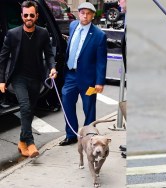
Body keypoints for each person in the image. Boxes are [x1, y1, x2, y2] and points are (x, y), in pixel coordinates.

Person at [0, 1, 57, 158]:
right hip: (18, 78)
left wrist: (52, 67)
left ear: (36, 16)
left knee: (30, 111)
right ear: (21, 16)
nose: (28, 18)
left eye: (32, 15)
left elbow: (50, 54)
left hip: (36, 78)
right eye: (26, 15)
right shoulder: (12, 35)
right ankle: (31, 143)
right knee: (25, 107)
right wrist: (2, 81)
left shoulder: (43, 33)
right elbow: (3, 59)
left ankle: (21, 142)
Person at [59, 2, 107, 146]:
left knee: (89, 109)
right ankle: (71, 135)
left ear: (92, 16)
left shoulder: (99, 35)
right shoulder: (73, 26)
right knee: (67, 104)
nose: (85, 16)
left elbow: (101, 61)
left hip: (88, 79)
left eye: (88, 13)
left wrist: (100, 82)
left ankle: (89, 137)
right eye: (82, 13)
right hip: (70, 75)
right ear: (78, 13)